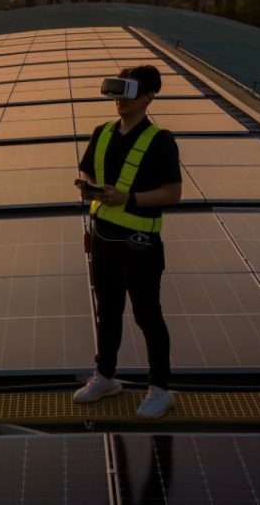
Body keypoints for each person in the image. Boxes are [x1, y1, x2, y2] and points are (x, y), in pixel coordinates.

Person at [72, 64, 182, 419]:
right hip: (103, 239)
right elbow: (87, 168)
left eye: (129, 92)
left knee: (147, 315)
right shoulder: (102, 132)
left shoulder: (160, 140)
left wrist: (128, 199)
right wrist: (88, 186)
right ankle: (105, 376)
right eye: (117, 91)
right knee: (107, 312)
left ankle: (160, 389)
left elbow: (173, 193)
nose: (120, 99)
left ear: (148, 97)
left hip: (140, 244)